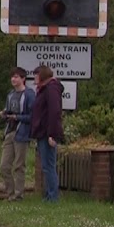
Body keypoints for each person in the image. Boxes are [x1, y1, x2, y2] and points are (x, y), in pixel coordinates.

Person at [29, 64, 65, 202]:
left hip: (47, 133)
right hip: (42, 132)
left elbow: (54, 112)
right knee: (46, 165)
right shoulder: (44, 90)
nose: (34, 79)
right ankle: (49, 194)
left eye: (36, 75)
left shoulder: (51, 89)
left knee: (49, 165)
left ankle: (53, 196)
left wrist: (52, 134)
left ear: (42, 75)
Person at [0, 67, 35, 201]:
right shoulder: (10, 95)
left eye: (17, 77)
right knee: (4, 166)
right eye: (12, 77)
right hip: (10, 131)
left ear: (23, 79)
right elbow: (9, 110)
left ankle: (18, 195)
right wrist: (5, 114)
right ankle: (10, 192)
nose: (13, 79)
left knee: (19, 165)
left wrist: (17, 117)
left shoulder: (29, 95)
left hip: (22, 132)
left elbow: (32, 116)